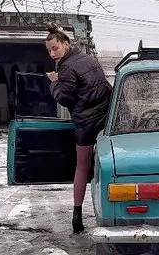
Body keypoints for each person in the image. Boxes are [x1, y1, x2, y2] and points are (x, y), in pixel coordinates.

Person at [44, 22, 113, 234]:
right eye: (49, 51)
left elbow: (65, 98)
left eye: (55, 48)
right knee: (107, 166)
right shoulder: (89, 59)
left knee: (82, 167)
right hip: (106, 118)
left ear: (66, 44)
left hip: (85, 123)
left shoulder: (66, 67)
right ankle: (110, 211)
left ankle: (77, 217)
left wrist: (54, 83)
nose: (52, 54)